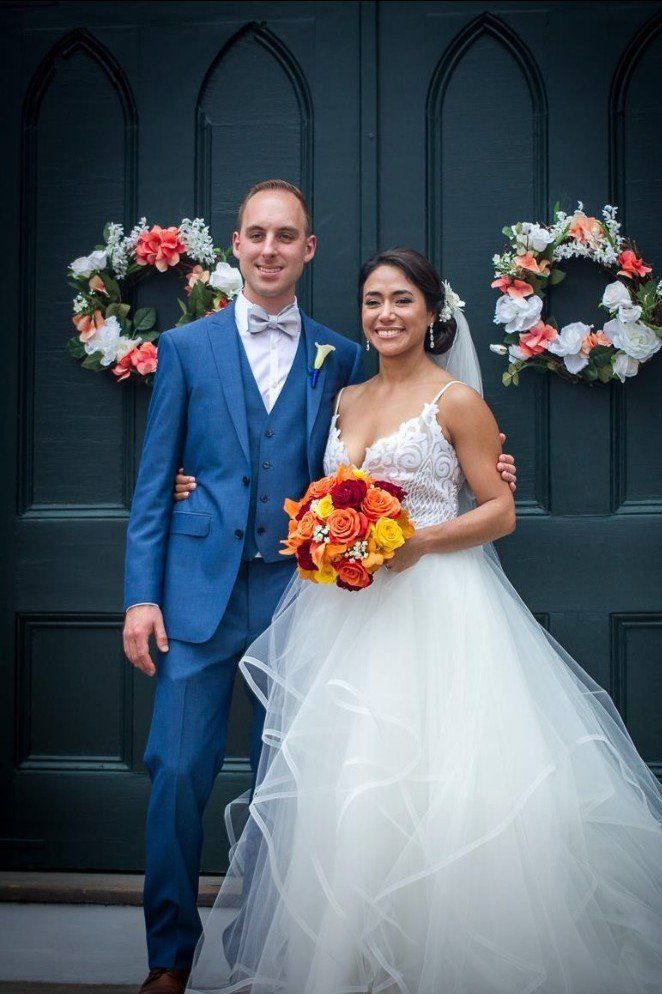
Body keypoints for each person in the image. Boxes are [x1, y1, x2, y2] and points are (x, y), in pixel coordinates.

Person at [185, 248, 662, 994]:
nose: (385, 315)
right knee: (351, 786)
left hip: (436, 611)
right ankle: (345, 963)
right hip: (345, 616)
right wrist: (199, 491)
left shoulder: (454, 401)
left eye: (402, 302)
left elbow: (499, 510)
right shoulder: (345, 398)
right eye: (373, 302)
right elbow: (304, 485)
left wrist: (416, 539)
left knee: (438, 781)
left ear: (431, 315)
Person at [122, 183, 518, 994]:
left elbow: (363, 466)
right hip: (198, 595)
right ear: (236, 245)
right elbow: (155, 479)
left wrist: (489, 472)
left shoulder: (339, 357)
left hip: (310, 598)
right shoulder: (189, 348)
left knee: (300, 784)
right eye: (257, 236)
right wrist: (141, 595)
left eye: (287, 237)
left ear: (308, 251)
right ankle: (169, 958)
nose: (270, 250)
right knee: (173, 773)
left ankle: (268, 952)